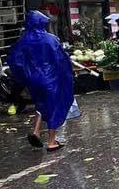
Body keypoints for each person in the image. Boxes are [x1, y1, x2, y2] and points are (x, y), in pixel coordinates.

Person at [7, 11, 76, 151]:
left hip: (33, 79)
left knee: (41, 104)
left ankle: (36, 131)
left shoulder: (23, 40)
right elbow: (61, 59)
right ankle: (51, 141)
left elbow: (14, 60)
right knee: (54, 107)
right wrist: (68, 73)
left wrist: (25, 76)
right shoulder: (51, 39)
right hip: (51, 78)